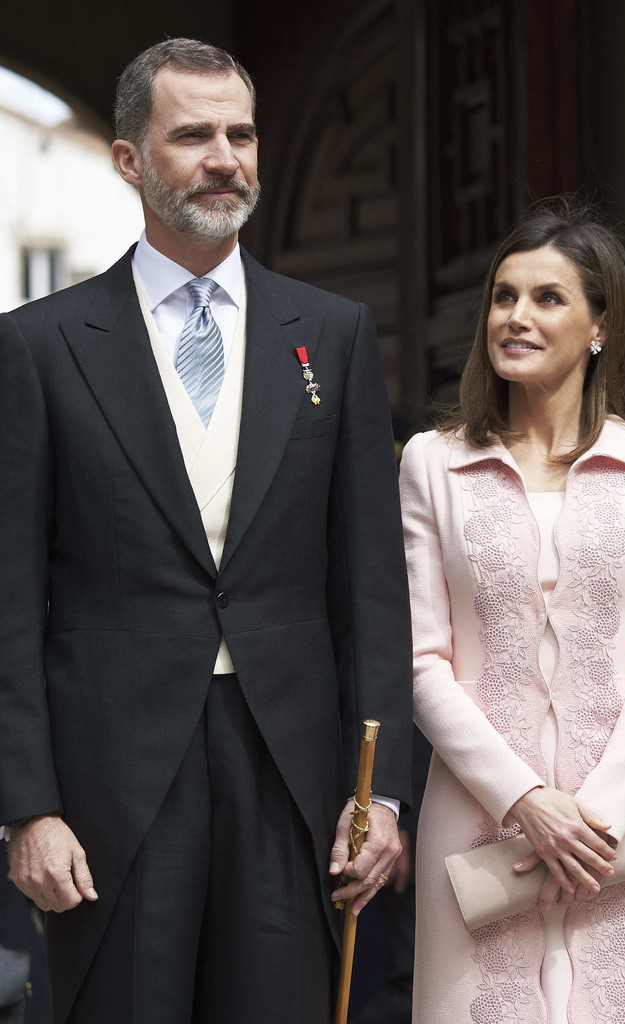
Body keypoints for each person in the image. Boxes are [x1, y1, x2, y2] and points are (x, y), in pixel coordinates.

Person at [0, 38, 412, 1024]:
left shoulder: (333, 334)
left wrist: (384, 790)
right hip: (111, 787)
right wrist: (27, 805)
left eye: (242, 133)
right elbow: (9, 595)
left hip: (293, 772)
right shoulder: (41, 347)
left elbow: (369, 582)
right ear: (130, 159)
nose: (226, 156)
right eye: (193, 135)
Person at [399, 197, 625, 1023]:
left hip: (619, 832)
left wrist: (590, 816)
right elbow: (420, 661)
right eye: (503, 296)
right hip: (481, 823)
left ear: (601, 326)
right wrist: (526, 799)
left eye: (547, 298)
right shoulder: (432, 464)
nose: (515, 317)